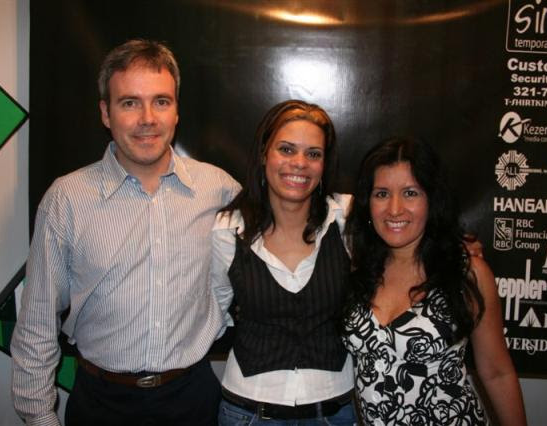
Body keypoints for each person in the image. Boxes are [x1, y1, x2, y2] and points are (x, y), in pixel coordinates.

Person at [10, 39, 240, 426]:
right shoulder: (66, 199)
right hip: (100, 405)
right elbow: (37, 323)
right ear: (106, 113)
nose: (147, 118)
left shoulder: (219, 189)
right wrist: (39, 417)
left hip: (194, 400)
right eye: (130, 102)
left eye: (161, 101)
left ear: (176, 110)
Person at [342, 137, 526, 425]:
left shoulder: (467, 273)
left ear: (431, 199)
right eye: (381, 194)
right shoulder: (357, 268)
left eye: (410, 193)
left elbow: (497, 373)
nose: (394, 209)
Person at [210, 100, 357, 425]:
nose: (300, 163)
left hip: (334, 412)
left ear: (324, 164)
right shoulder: (227, 229)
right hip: (248, 412)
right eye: (287, 149)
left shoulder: (346, 219)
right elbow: (215, 314)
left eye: (313, 154)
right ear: (264, 154)